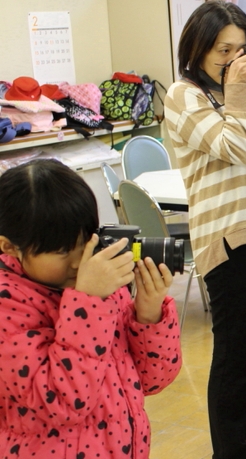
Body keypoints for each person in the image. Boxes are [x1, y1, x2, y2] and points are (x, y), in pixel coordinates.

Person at [163, 0, 246, 458]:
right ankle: (230, 450)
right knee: (234, 351)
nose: (234, 60)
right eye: (223, 50)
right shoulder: (183, 94)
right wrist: (239, 91)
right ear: (197, 48)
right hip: (225, 235)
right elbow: (234, 146)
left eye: (241, 49)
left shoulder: (232, 93)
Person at [0, 159, 182, 459]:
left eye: (83, 242)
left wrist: (148, 314)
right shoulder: (9, 305)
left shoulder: (98, 282)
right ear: (9, 247)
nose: (76, 262)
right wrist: (88, 301)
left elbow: (150, 380)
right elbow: (61, 402)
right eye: (59, 252)